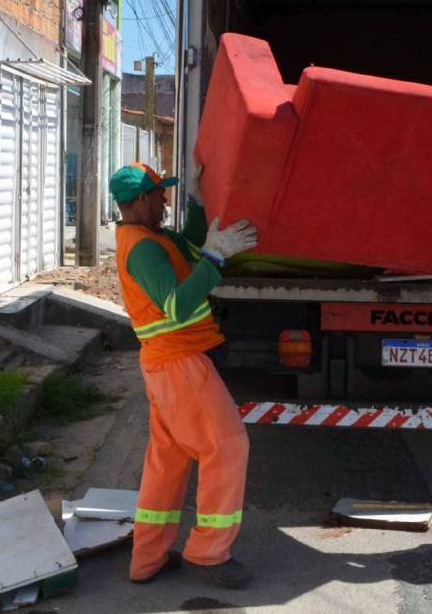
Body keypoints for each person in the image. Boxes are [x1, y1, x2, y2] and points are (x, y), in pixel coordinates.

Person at [110, 162, 259, 588]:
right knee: (227, 446)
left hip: (164, 364)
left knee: (168, 460)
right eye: (161, 194)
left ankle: (148, 558)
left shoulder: (151, 238)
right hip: (179, 363)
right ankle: (209, 553)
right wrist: (215, 257)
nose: (165, 199)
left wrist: (198, 205)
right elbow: (176, 305)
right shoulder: (142, 248)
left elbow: (188, 247)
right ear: (141, 200)